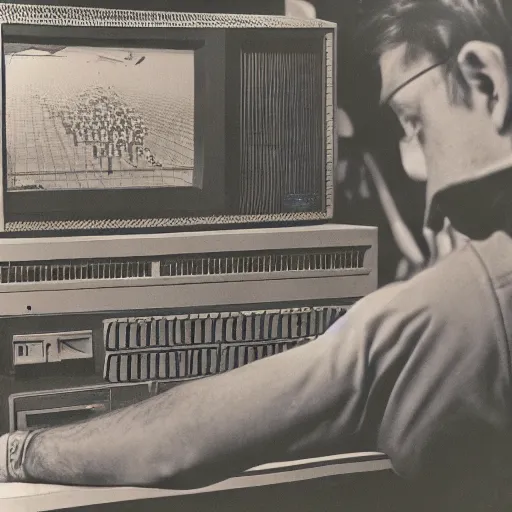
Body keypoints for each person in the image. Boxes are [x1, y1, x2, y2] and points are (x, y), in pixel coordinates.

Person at [3, 1, 512, 509]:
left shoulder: (466, 303)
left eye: (413, 121)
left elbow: (177, 444)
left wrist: (19, 451)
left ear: (486, 81)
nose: (418, 168)